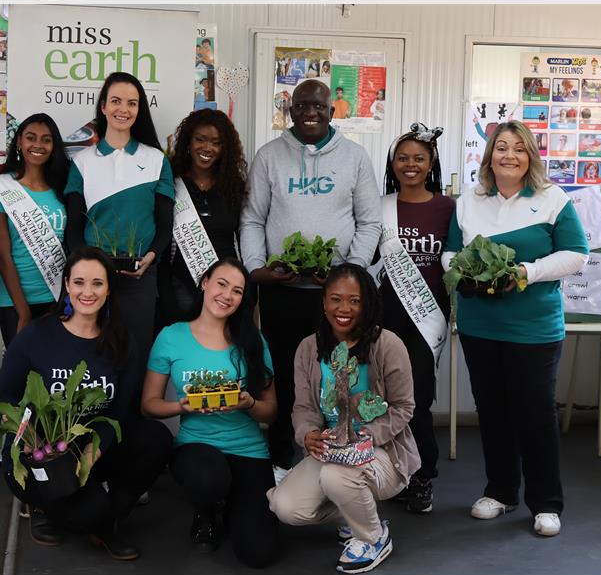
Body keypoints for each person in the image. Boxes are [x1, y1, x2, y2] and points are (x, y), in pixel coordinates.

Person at [441, 121, 589, 537]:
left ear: (531, 157)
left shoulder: (551, 199)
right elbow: (450, 252)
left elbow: (577, 254)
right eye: (501, 147)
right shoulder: (469, 201)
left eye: (519, 149)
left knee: (536, 415)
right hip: (479, 325)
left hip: (533, 328)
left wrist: (528, 271)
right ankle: (500, 492)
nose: (509, 155)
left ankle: (546, 503)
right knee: (493, 411)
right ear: (488, 156)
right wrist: (461, 272)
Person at [240, 78, 381, 483]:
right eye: (301, 105)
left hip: (336, 297)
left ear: (331, 111)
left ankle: (343, 452)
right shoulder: (269, 156)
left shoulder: (354, 157)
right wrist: (255, 268)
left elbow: (369, 221)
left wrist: (348, 274)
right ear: (290, 109)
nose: (310, 112)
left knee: (339, 374)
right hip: (282, 292)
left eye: (318, 106)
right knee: (285, 373)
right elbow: (252, 218)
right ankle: (283, 457)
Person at [0, 246, 173, 557]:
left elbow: (120, 413)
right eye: (78, 282)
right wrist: (29, 439)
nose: (86, 292)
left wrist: (92, 453)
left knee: (156, 438)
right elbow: (5, 399)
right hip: (43, 451)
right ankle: (42, 506)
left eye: (97, 283)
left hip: (93, 446)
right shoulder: (36, 335)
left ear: (108, 289)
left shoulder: (121, 340)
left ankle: (109, 518)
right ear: (66, 285)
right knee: (84, 512)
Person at [266, 263, 418, 574]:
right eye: (335, 299)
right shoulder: (308, 349)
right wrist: (307, 434)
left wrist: (369, 436)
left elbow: (403, 406)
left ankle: (374, 537)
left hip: (381, 452)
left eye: (354, 300)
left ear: (367, 304)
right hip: (332, 448)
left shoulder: (387, 345)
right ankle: (356, 514)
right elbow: (304, 408)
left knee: (338, 475)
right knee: (286, 507)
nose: (344, 308)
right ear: (323, 302)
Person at [142, 257, 279, 568]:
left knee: (259, 554)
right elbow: (148, 404)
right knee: (209, 479)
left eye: (237, 291)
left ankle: (234, 505)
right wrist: (181, 406)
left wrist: (249, 404)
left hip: (248, 449)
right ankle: (207, 507)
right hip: (196, 446)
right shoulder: (171, 336)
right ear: (204, 283)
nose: (227, 295)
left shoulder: (253, 341)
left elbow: (270, 413)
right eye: (221, 284)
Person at [64, 71, 174, 396]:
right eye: (115, 101)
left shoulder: (156, 160)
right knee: (89, 359)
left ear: (140, 109)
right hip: (93, 282)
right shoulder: (82, 162)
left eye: (132, 103)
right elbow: (73, 228)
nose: (123, 109)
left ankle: (130, 434)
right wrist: (86, 273)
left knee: (134, 360)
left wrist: (150, 257)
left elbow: (165, 226)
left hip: (140, 280)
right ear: (102, 106)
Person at [373, 123, 453, 514]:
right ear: (393, 162)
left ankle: (424, 476)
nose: (410, 165)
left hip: (428, 315)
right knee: (384, 398)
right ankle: (391, 471)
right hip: (388, 313)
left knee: (418, 400)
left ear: (431, 162)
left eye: (418, 158)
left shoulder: (447, 207)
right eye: (402, 158)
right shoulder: (381, 206)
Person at [0, 113, 70, 348]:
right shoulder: (0, 189)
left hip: (57, 298)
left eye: (46, 139)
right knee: (21, 378)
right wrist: (23, 312)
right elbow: (2, 254)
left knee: (56, 377)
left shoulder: (63, 190)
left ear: (54, 147)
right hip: (15, 302)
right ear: (19, 142)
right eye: (31, 138)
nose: (38, 145)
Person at [157, 108, 247, 326]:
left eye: (216, 142)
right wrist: (167, 299)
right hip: (181, 288)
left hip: (226, 291)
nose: (208, 148)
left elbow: (243, 238)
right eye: (200, 140)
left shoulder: (234, 187)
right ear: (188, 142)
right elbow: (162, 242)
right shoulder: (171, 183)